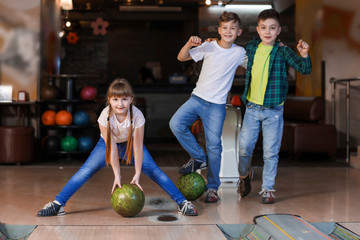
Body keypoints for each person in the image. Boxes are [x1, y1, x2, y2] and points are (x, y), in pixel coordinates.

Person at [37, 78, 198, 217]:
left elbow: (137, 145)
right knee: (85, 171)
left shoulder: (137, 116)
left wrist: (137, 173)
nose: (120, 104)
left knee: (154, 171)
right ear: (109, 100)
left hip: (131, 143)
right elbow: (112, 149)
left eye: (124, 99)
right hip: (107, 145)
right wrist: (117, 176)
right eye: (115, 100)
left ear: (131, 99)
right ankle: (58, 204)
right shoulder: (105, 117)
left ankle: (182, 202)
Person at [169, 11, 247, 203]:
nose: (228, 31)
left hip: (217, 106)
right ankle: (198, 156)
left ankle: (212, 188)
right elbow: (181, 58)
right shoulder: (209, 46)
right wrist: (189, 44)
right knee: (176, 124)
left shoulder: (240, 53)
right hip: (197, 99)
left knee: (215, 146)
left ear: (239, 32)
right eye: (225, 28)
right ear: (219, 30)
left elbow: (257, 66)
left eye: (233, 28)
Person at [237, 9, 312, 204]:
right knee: (244, 148)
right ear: (258, 30)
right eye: (264, 28)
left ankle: (268, 189)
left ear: (279, 30)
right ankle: (244, 176)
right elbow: (232, 53)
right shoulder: (252, 47)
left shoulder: (284, 51)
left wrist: (304, 54)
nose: (268, 32)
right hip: (252, 109)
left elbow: (304, 69)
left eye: (272, 28)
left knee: (271, 152)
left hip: (274, 112)